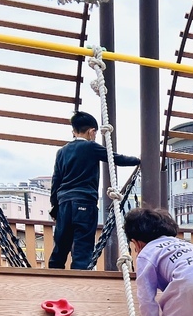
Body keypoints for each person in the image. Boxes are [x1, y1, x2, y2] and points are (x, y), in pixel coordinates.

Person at [49, 111, 140, 270]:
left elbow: (56, 181)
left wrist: (54, 207)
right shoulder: (90, 147)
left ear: (74, 130)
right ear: (91, 131)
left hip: (64, 203)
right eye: (95, 133)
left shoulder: (61, 152)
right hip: (84, 202)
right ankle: (79, 283)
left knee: (61, 245)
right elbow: (116, 158)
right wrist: (139, 160)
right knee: (82, 247)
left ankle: (53, 277)